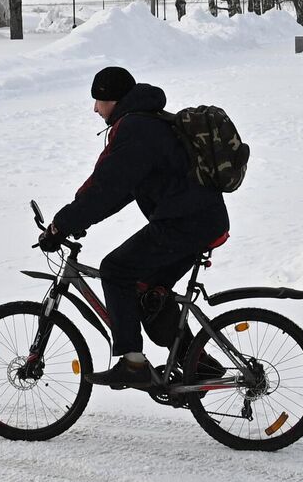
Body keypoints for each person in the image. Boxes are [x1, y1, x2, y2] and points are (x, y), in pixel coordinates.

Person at [39, 65, 230, 389]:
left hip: (186, 222)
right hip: (198, 221)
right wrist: (77, 221)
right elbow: (124, 190)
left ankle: (132, 362)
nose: (95, 109)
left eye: (97, 101)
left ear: (111, 99)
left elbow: (107, 186)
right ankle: (198, 362)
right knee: (147, 295)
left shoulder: (135, 127)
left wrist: (62, 225)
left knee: (115, 269)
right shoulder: (148, 121)